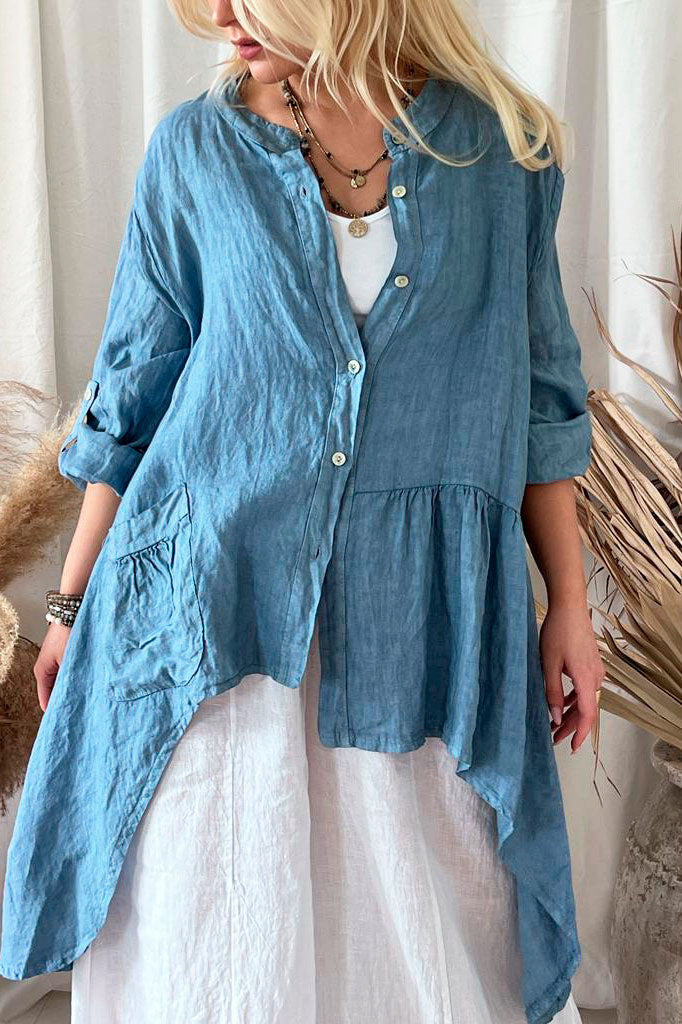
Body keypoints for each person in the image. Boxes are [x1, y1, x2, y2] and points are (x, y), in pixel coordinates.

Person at [0, 0, 605, 1021]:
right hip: (215, 619)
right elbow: (131, 396)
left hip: (421, 629)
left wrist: (570, 606)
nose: (219, 16)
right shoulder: (194, 152)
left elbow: (543, 399)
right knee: (220, 942)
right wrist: (68, 605)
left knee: (427, 935)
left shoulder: (503, 154)